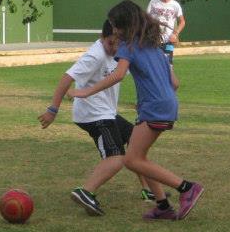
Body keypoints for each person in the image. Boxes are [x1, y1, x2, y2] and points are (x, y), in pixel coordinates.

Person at [68, 0, 204, 221]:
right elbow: (175, 83)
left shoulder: (127, 46)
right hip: (167, 103)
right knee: (139, 156)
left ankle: (187, 188)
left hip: (154, 107)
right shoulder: (153, 45)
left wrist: (86, 91)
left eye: (115, 25)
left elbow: (118, 75)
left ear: (124, 25)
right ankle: (163, 207)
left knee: (131, 160)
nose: (113, 30)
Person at [38, 20, 166, 216]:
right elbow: (67, 77)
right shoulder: (95, 55)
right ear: (102, 38)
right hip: (93, 114)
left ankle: (148, 190)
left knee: (136, 145)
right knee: (116, 157)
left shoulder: (122, 52)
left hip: (107, 112)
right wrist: (53, 109)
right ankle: (86, 192)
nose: (114, 48)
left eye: (118, 43)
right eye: (110, 43)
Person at [146, 0, 185, 64]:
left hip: (168, 40)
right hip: (154, 39)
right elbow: (146, 18)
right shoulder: (154, 1)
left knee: (168, 64)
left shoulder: (175, 5)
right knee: (154, 64)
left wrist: (175, 34)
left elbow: (182, 22)